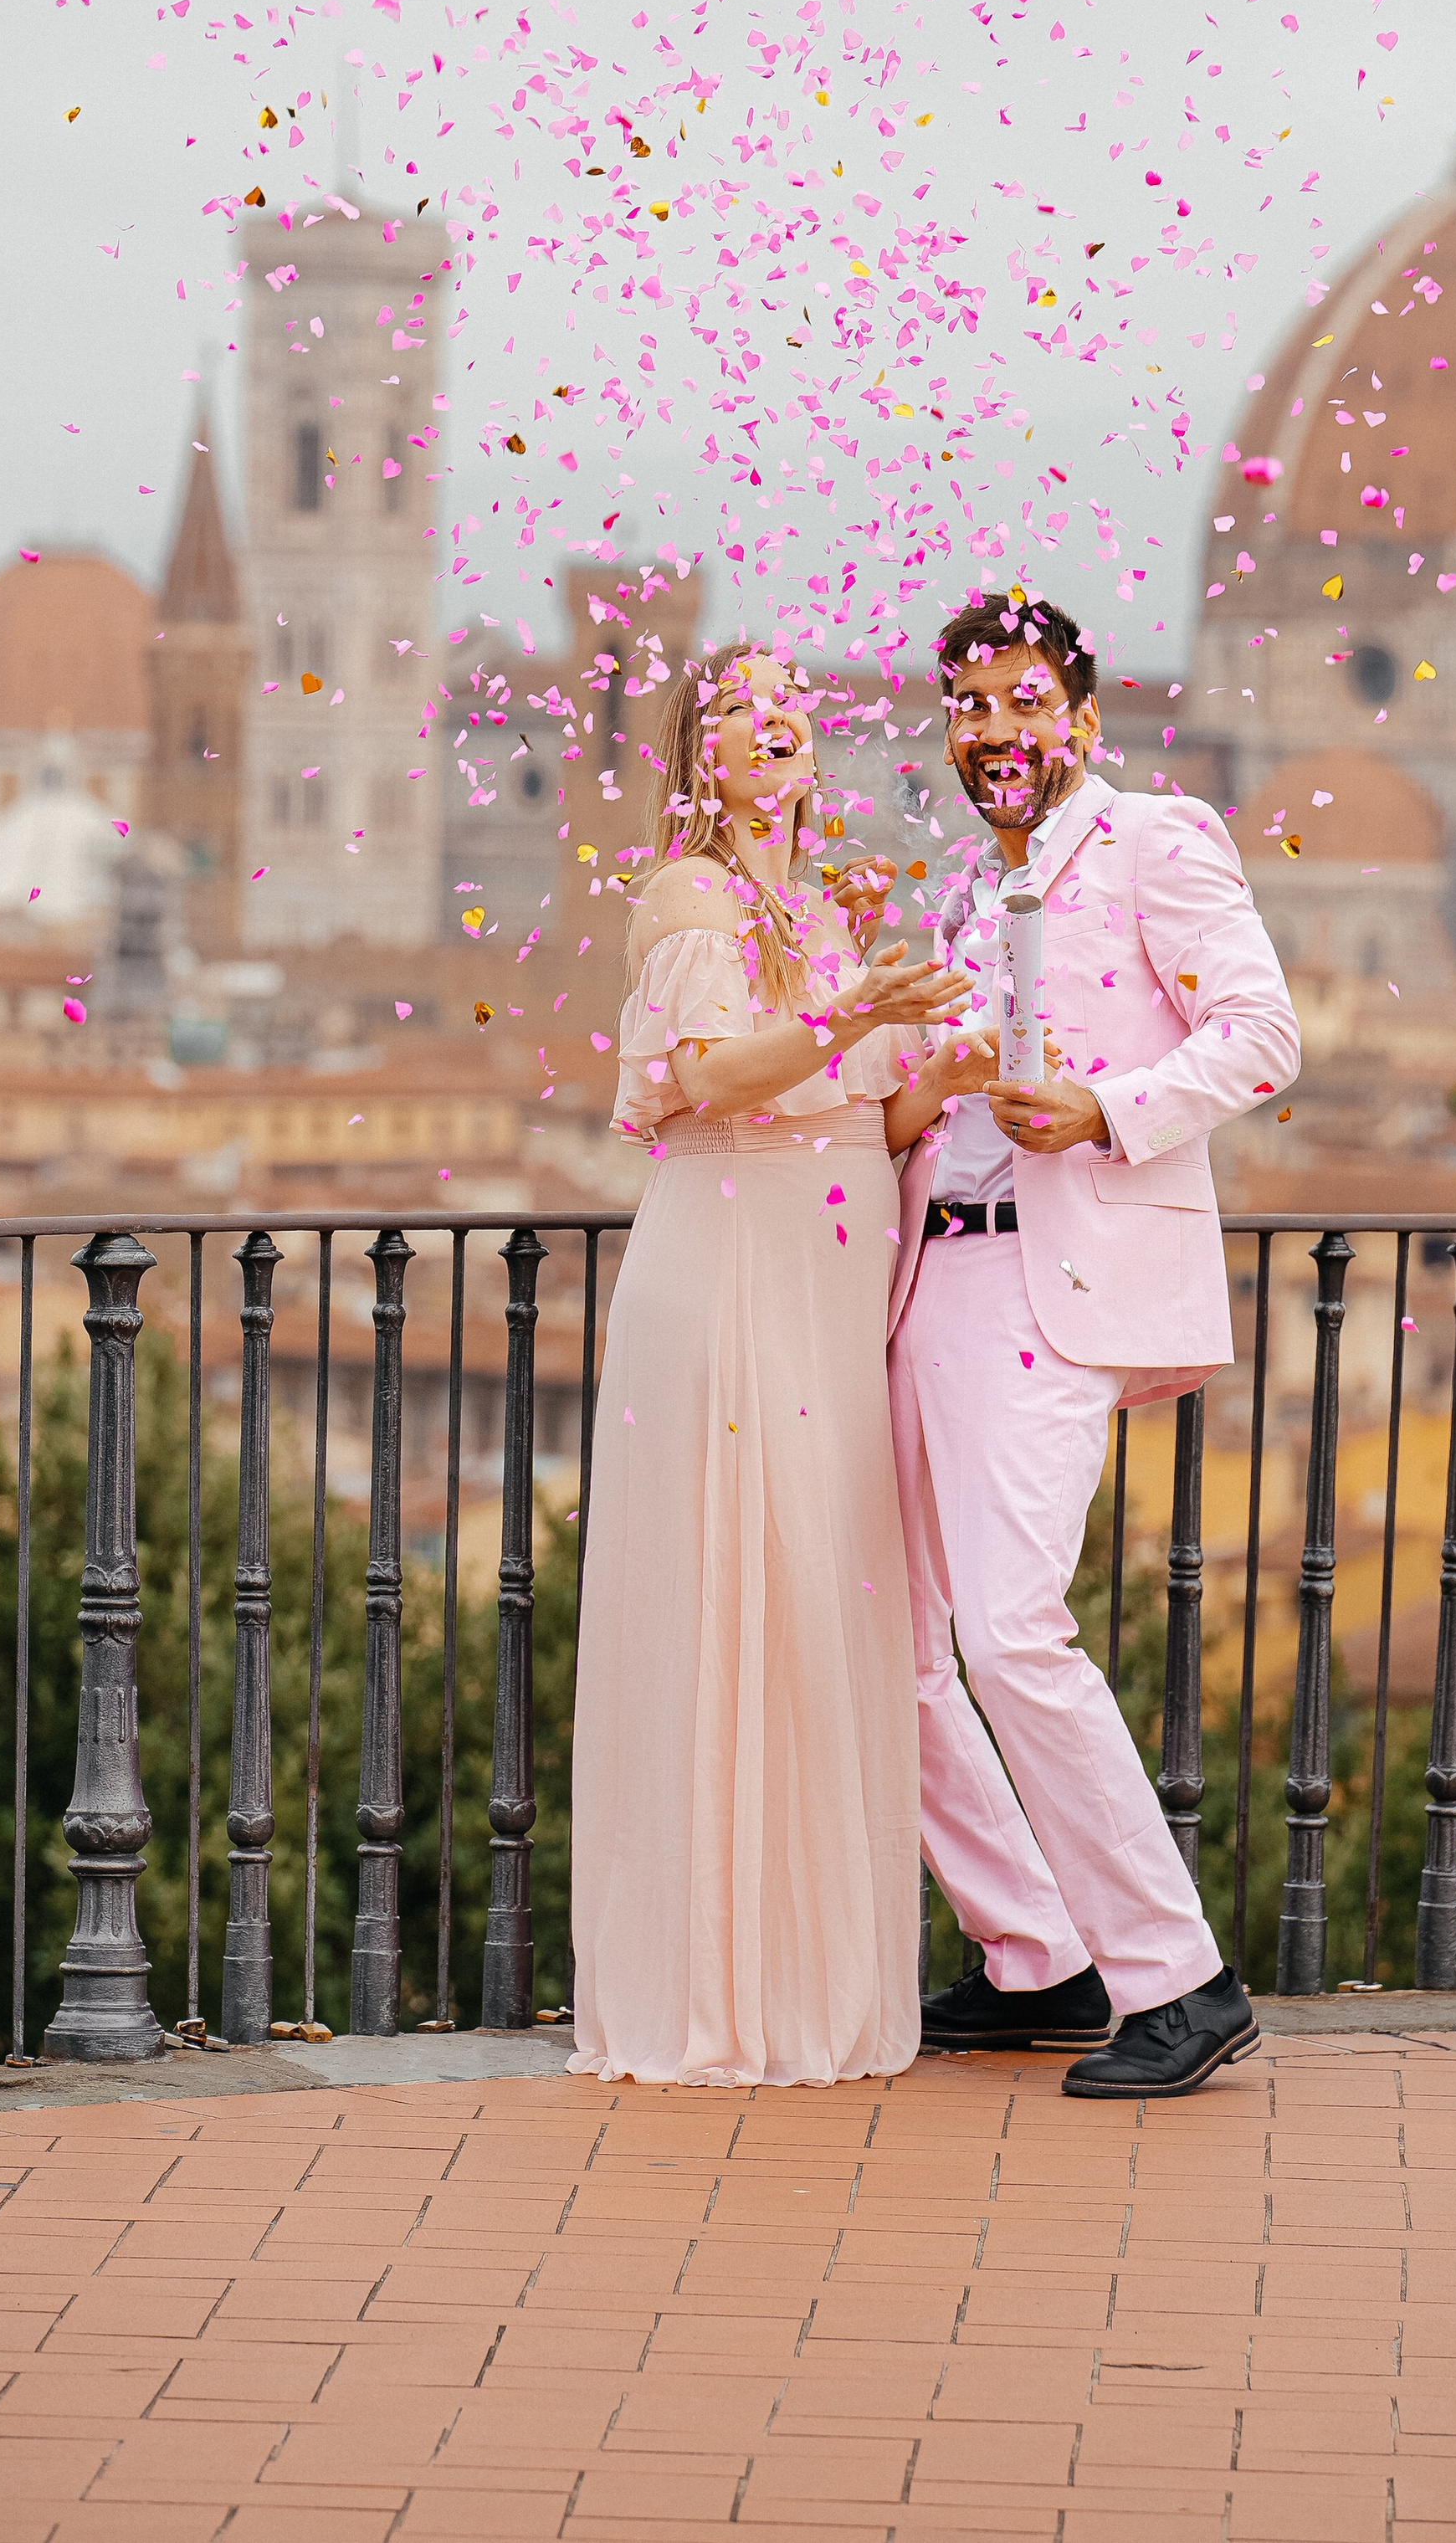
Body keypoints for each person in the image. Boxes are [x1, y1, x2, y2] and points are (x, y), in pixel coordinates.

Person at [889, 592, 1302, 2099]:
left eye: (1018, 700)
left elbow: (1262, 1031)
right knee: (896, 1638)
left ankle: (1176, 1975)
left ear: (1080, 706)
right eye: (967, 705)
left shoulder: (1156, 841)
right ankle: (1036, 1953)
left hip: (1050, 1291)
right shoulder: (965, 888)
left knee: (1007, 1629)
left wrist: (1108, 1110)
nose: (992, 730)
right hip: (928, 1280)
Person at [567, 639, 985, 2086]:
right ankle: (720, 1993)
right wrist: (855, 1013)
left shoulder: (822, 901)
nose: (778, 721)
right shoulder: (688, 898)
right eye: (740, 709)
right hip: (734, 1254)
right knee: (736, 1586)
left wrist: (947, 1064)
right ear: (697, 758)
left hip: (827, 1269)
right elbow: (707, 1077)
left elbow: (864, 1116)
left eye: (791, 702)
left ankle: (813, 1980)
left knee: (822, 1597)